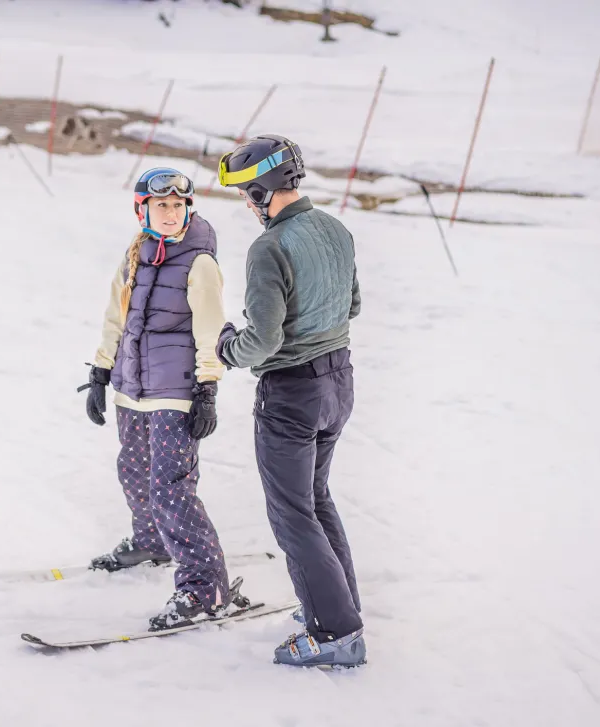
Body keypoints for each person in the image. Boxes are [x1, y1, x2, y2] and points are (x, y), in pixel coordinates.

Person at [215, 135, 366, 667]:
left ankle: (337, 633)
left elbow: (264, 341)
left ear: (261, 189)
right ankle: (335, 607)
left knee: (292, 512)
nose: (244, 204)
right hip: (338, 381)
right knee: (316, 499)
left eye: (244, 193)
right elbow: (353, 303)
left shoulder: (270, 248)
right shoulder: (335, 228)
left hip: (292, 392)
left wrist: (227, 347)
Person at [80, 167, 235, 631]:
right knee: (133, 471)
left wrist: (207, 389)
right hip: (133, 388)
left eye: (177, 205)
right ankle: (151, 542)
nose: (169, 213)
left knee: (171, 488)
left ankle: (204, 587)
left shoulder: (200, 263)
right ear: (142, 208)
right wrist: (101, 370)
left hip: (175, 390)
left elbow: (210, 328)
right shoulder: (135, 255)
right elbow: (117, 318)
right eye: (160, 205)